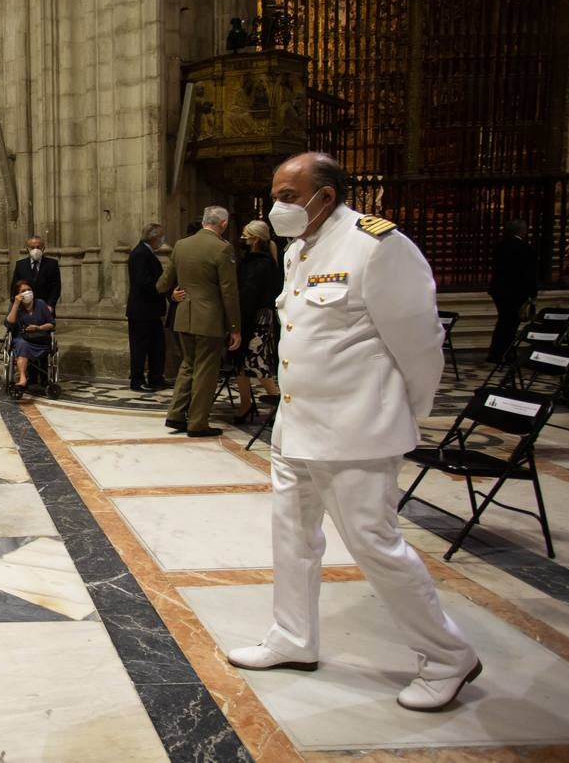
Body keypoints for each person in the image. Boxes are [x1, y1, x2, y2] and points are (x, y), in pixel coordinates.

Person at [227, 151, 480, 712]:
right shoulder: (299, 250)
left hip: (357, 431)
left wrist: (401, 414)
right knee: (292, 536)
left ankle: (446, 656)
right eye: (276, 195)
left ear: (326, 195)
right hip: (297, 426)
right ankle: (293, 637)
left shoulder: (377, 245)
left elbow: (420, 346)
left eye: (289, 196)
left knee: (375, 545)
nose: (278, 206)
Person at [157, 206, 241, 437]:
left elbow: (162, 284)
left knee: (188, 366)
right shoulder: (222, 248)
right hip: (209, 320)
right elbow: (229, 291)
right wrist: (235, 327)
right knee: (206, 371)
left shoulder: (181, 245)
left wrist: (173, 295)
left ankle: (175, 414)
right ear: (223, 223)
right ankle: (197, 423)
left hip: (184, 316)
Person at [233, 220, 283, 421]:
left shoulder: (260, 262)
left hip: (256, 320)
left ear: (254, 238)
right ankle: (246, 403)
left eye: (245, 234)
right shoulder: (251, 260)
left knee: (257, 363)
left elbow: (249, 294)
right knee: (240, 363)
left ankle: (277, 401)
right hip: (248, 317)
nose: (242, 238)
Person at [486, 219, 539, 364]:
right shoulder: (524, 248)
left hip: (499, 290)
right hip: (516, 292)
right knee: (510, 324)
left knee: (503, 321)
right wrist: (533, 293)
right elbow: (529, 274)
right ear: (522, 231)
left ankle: (496, 352)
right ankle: (506, 353)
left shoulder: (500, 246)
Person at [127, 223, 168, 391]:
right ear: (153, 237)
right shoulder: (140, 254)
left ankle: (156, 378)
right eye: (161, 237)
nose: (162, 240)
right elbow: (143, 282)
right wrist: (162, 287)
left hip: (150, 311)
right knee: (140, 348)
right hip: (141, 310)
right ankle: (137, 381)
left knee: (157, 346)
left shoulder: (146, 253)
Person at [5, 277, 56, 388]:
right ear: (17, 294)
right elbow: (9, 324)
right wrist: (16, 304)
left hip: (40, 340)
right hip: (21, 340)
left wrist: (39, 328)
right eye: (23, 291)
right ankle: (23, 378)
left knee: (24, 346)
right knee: (22, 344)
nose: (27, 292)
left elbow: (51, 324)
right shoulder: (15, 306)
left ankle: (36, 378)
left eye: (29, 289)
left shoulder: (41, 304)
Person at [9, 236, 62, 312]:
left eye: (38, 247)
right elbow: (15, 286)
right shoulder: (20, 264)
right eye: (32, 247)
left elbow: (56, 288)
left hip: (45, 307)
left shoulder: (52, 264)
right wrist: (16, 304)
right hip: (24, 307)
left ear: (43, 248)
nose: (35, 250)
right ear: (27, 249)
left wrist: (50, 305)